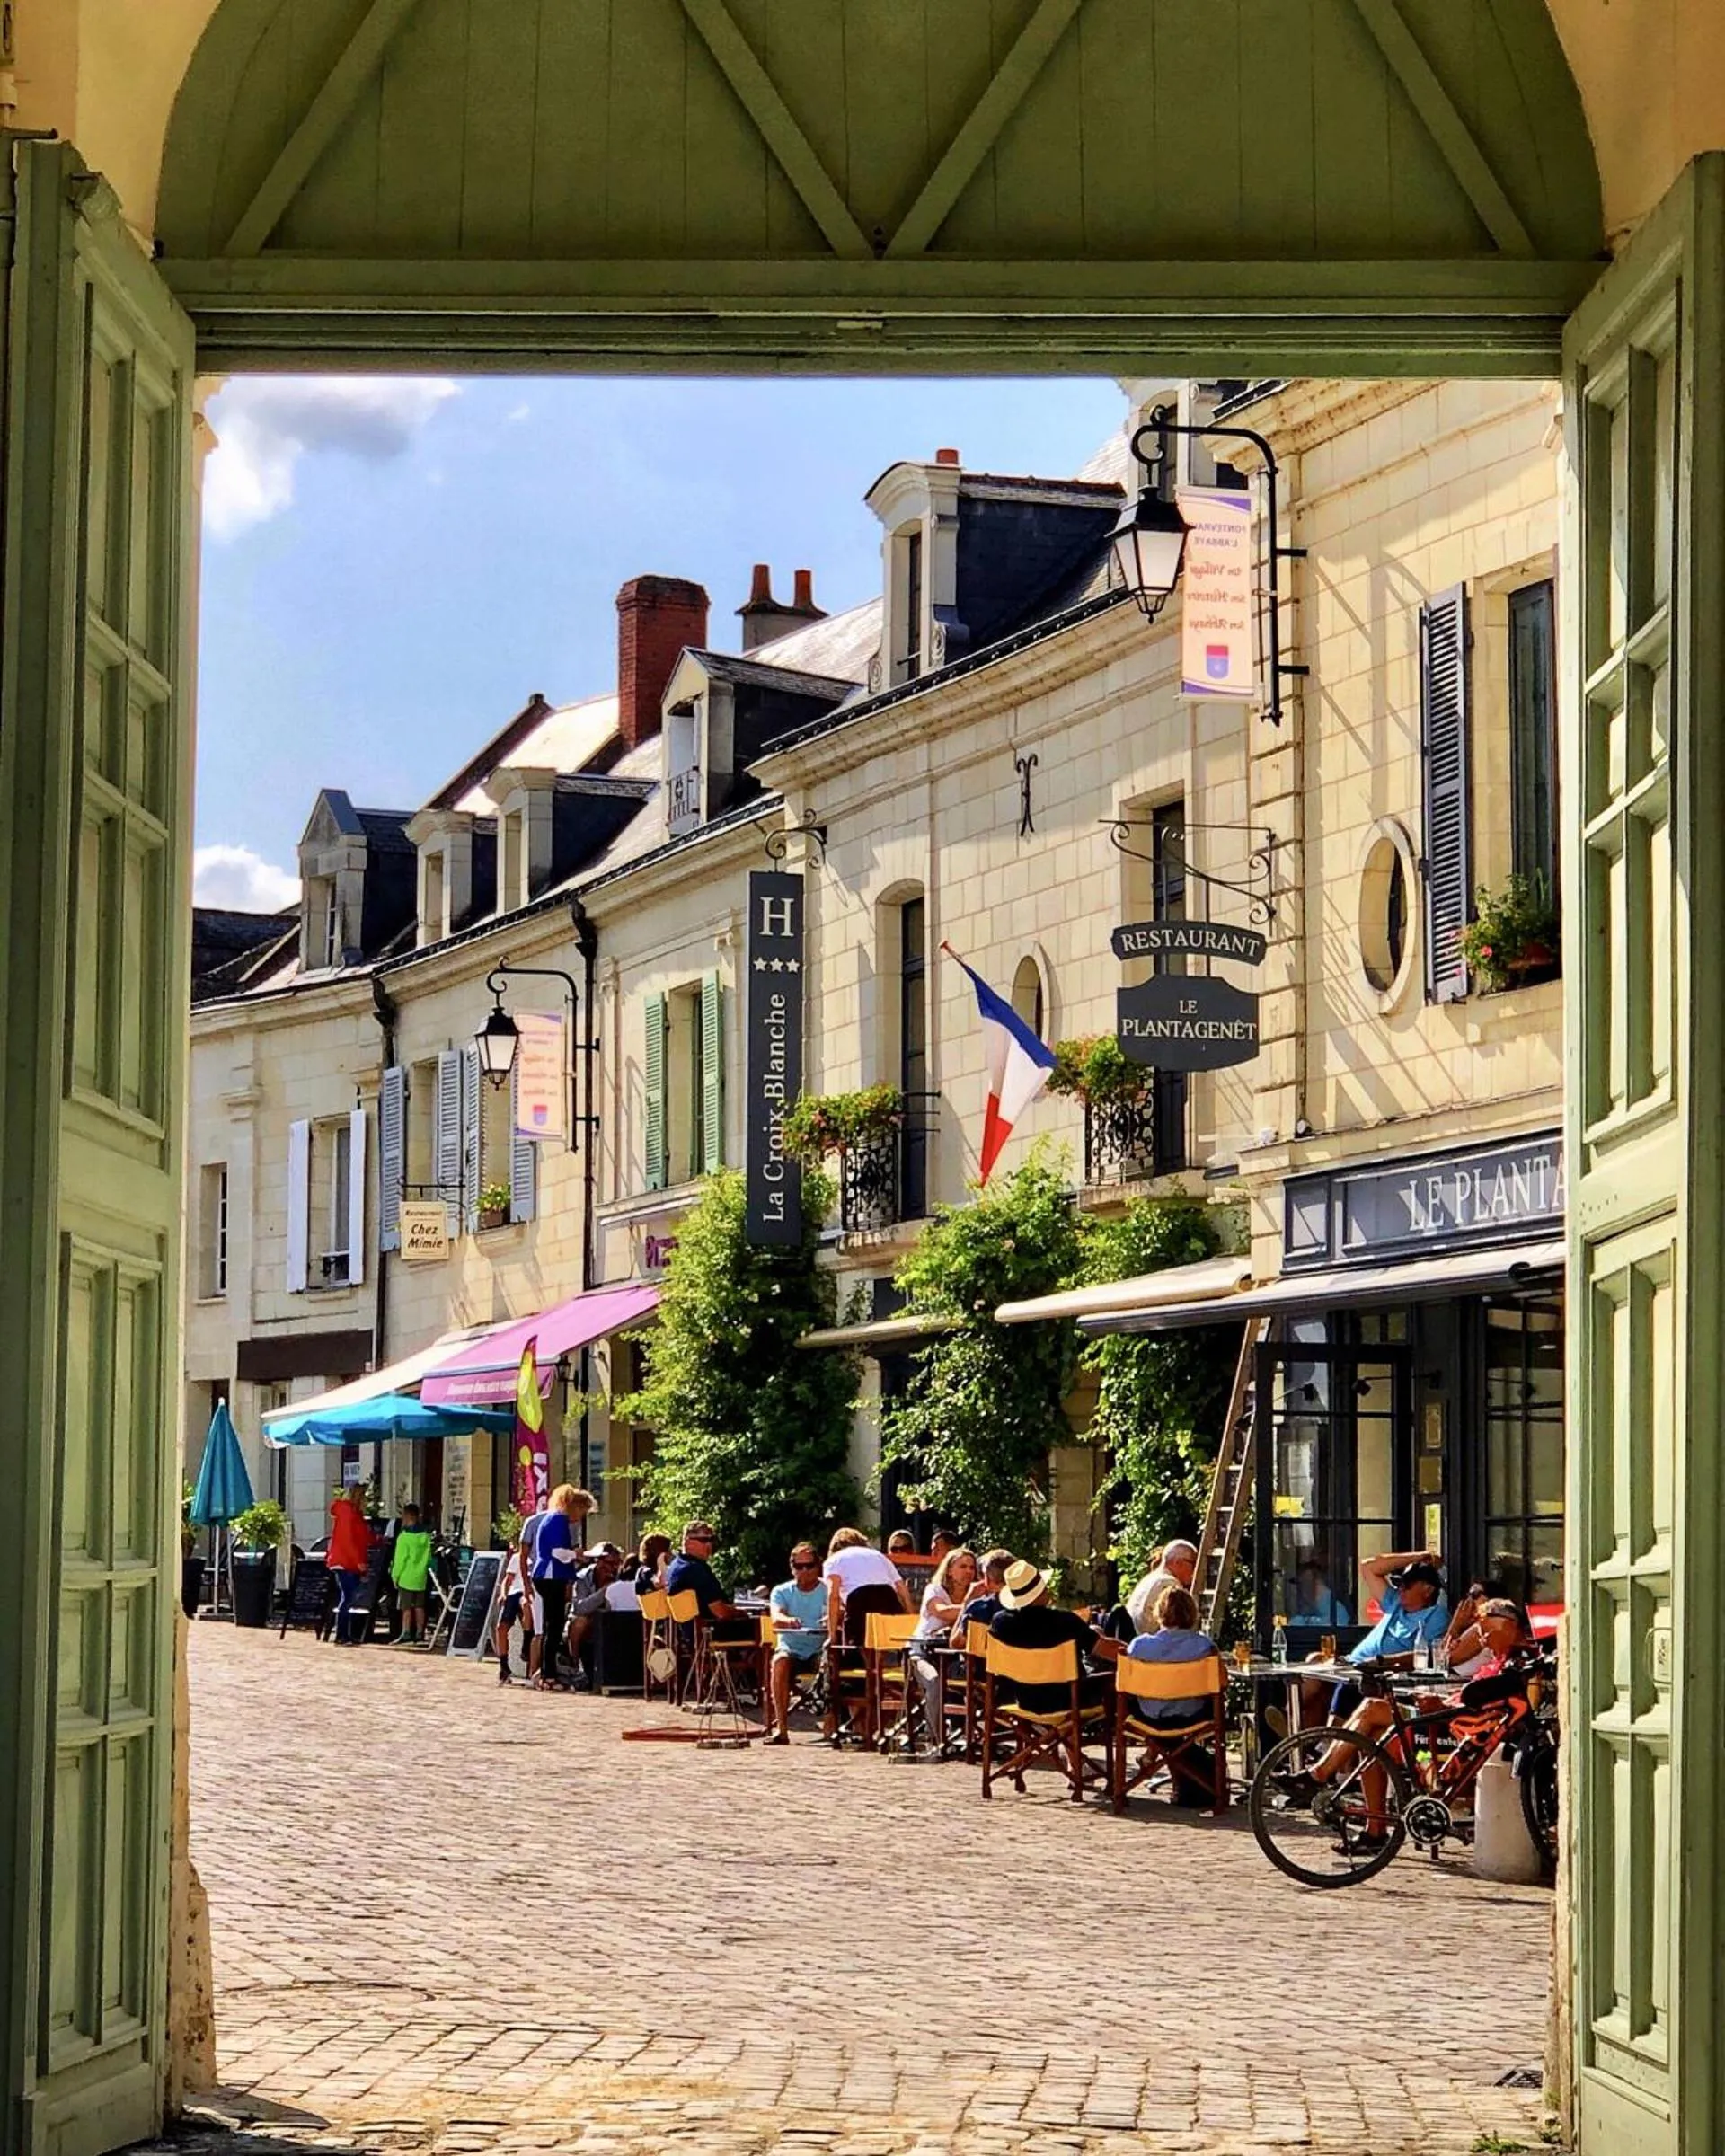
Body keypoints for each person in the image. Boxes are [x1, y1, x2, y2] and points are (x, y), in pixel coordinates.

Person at [1300, 1550, 1449, 1724]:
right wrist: (1419, 1557)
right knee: (1315, 1660)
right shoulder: (1395, 1603)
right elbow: (1368, 1567)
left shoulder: (1436, 1615)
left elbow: (1425, 1655)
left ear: (1428, 1590)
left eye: (1407, 1585)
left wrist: (1379, 1663)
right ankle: (1293, 1725)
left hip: (1377, 1672)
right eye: (1399, 1584)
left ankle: (1326, 1741)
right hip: (1350, 1663)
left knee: (1345, 1688)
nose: (1400, 1589)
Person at [985, 1559, 1123, 1717]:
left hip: (1024, 1699)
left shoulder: (1000, 1623)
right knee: (1109, 1672)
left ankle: (1063, 1735)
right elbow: (1108, 1650)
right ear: (1041, 1591)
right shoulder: (1065, 1621)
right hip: (1071, 1700)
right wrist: (1136, 1651)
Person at [1125, 1585, 1222, 1806]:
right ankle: (1196, 1781)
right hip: (1191, 1716)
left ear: (1159, 1613)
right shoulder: (1204, 1647)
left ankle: (1151, 1761)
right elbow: (1221, 1683)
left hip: (1148, 1718)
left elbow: (1125, 1685)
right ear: (1192, 1614)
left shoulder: (1139, 1647)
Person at [909, 1545, 978, 1749]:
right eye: (962, 1566)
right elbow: (943, 1612)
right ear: (949, 1570)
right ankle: (935, 1740)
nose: (968, 1571)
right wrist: (971, 1603)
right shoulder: (935, 1589)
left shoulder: (974, 1594)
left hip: (953, 1654)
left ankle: (973, 1737)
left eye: (972, 1568)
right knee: (934, 1682)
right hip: (922, 1652)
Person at [765, 1542, 828, 1744]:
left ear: (818, 1566)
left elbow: (839, 1614)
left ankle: (831, 1728)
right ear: (792, 1569)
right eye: (799, 1567)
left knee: (830, 1662)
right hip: (791, 1649)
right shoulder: (781, 1591)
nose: (805, 1571)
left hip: (819, 1648)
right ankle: (781, 1729)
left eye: (809, 1566)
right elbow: (776, 1617)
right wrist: (788, 1621)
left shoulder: (828, 1589)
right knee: (779, 1663)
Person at [530, 1485, 591, 1690]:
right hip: (550, 1575)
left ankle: (548, 1673)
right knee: (554, 1627)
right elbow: (558, 1552)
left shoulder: (554, 1519)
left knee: (553, 1626)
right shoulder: (558, 1521)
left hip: (550, 1575)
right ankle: (548, 1675)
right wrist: (577, 1554)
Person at [564, 1543, 625, 1685]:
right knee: (580, 1621)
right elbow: (579, 1608)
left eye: (617, 1563)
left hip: (611, 1621)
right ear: (599, 1562)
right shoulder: (582, 1578)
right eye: (610, 1563)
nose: (614, 1567)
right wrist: (604, 1592)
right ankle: (575, 1664)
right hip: (587, 1623)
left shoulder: (621, 1576)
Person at [326, 1481, 372, 1646]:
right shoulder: (347, 1512)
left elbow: (361, 1535)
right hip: (345, 1561)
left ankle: (345, 1633)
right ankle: (341, 1634)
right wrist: (358, 1561)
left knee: (349, 1597)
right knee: (348, 1597)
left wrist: (377, 1540)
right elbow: (347, 1540)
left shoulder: (354, 1513)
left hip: (348, 1561)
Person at [1124, 1540, 1198, 1635]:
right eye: (1193, 1563)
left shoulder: (1150, 1578)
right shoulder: (1169, 1584)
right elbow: (1176, 1629)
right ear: (1178, 1562)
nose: (1195, 1569)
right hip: (1151, 1645)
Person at [389, 1502, 434, 1646]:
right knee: (420, 1606)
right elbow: (429, 1557)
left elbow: (400, 1559)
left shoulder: (404, 1538)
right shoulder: (426, 1536)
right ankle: (420, 1633)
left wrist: (395, 1576)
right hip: (421, 1577)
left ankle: (406, 1632)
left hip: (406, 1577)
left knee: (406, 1608)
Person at [949, 1548, 1013, 1643]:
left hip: (990, 1657)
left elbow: (956, 1643)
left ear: (987, 1579)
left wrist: (967, 1602)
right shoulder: (1032, 1605)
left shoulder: (979, 1609)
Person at [492, 1534, 533, 1685]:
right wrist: (503, 1594)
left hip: (527, 1593)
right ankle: (504, 1665)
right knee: (501, 1627)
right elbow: (507, 1580)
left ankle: (526, 1644)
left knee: (526, 1605)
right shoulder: (517, 1558)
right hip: (514, 1592)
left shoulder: (537, 1559)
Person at [632, 1532, 672, 1597]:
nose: (670, 1554)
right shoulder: (645, 1572)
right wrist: (661, 1561)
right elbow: (659, 1583)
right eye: (668, 1550)